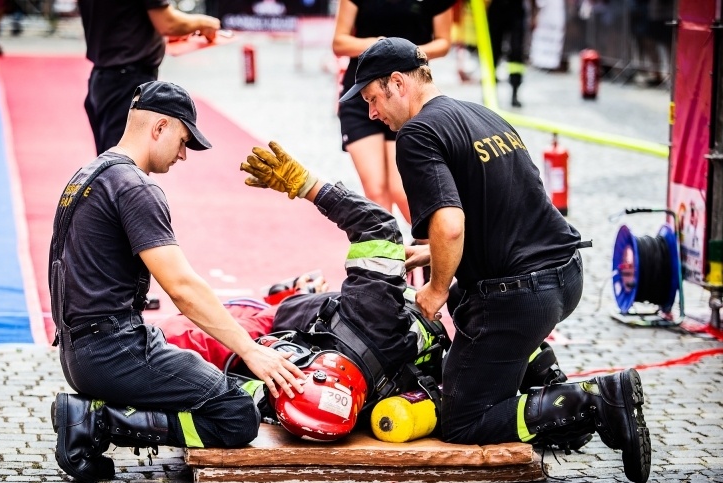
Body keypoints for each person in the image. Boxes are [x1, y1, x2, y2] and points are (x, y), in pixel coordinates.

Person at [339, 37, 651, 483]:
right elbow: (508, 207)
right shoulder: (481, 114)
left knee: (464, 419)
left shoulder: (418, 133)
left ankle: (593, 401)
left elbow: (449, 226)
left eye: (372, 99)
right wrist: (432, 254)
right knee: (474, 334)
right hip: (564, 276)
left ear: (397, 82)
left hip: (520, 296)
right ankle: (540, 372)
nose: (371, 114)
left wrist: (434, 290)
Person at [233, 141, 588, 446]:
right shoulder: (366, 320)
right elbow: (377, 226)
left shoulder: (343, 410)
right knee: (469, 403)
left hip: (442, 343)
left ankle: (561, 401)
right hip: (477, 311)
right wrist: (306, 183)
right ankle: (562, 395)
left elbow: (246, 387)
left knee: (475, 386)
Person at [49, 81, 306, 483]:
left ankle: (101, 417)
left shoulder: (88, 174)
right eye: (184, 141)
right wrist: (250, 349)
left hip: (79, 349)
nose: (184, 154)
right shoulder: (135, 187)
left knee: (219, 384)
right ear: (160, 127)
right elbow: (182, 288)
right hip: (112, 351)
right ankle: (98, 420)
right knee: (236, 414)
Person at [332, 0, 453, 223]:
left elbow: (444, 42)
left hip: (406, 97)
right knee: (376, 192)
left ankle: (446, 251)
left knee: (403, 192)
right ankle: (388, 255)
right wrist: (378, 45)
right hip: (362, 96)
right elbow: (339, 42)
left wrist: (402, 52)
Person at [76, 0, 221, 155]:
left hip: (104, 76)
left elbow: (121, 18)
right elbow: (167, 23)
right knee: (123, 164)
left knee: (112, 158)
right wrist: (204, 22)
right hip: (127, 81)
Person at [486, 0, 529, 107]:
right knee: (493, 52)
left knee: (517, 52)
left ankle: (515, 92)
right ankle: (490, 91)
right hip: (496, 8)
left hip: (516, 8)